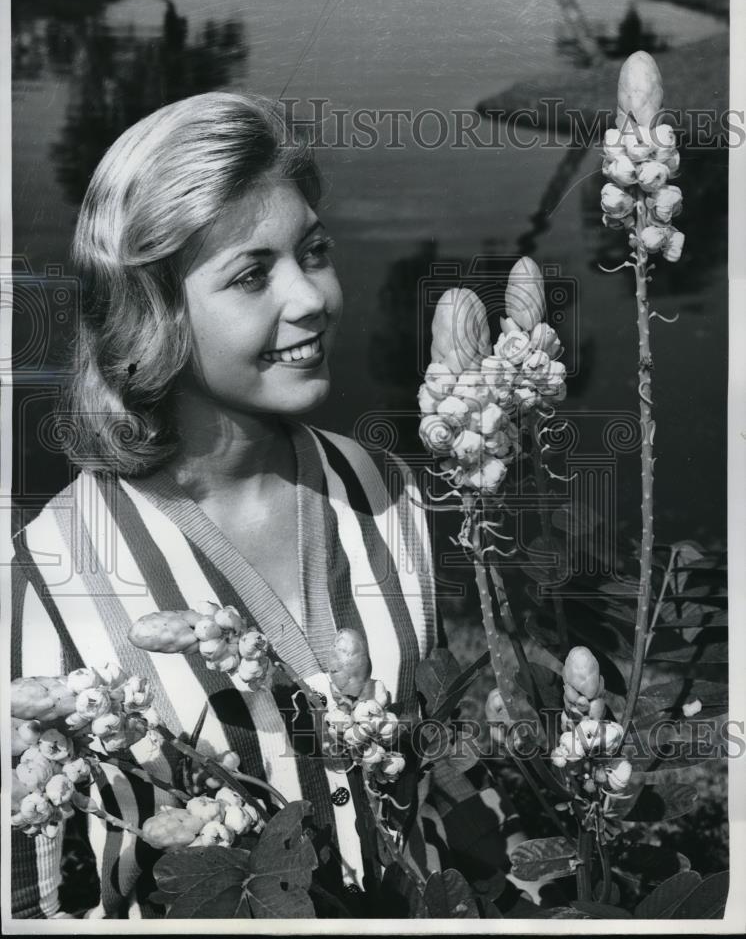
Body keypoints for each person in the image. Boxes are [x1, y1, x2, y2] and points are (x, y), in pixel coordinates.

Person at [10, 92, 526, 919]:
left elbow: (420, 756)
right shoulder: (44, 582)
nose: (311, 296)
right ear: (154, 315)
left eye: (313, 251)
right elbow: (26, 902)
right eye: (252, 274)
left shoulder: (386, 492)